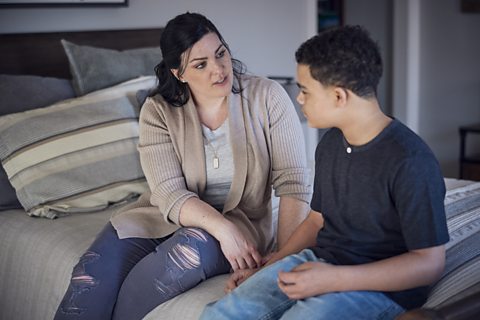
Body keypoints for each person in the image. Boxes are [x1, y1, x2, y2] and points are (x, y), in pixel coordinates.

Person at [54, 12, 312, 320]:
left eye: (221, 53)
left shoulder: (268, 97)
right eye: (200, 64)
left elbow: (293, 184)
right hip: (161, 216)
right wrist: (223, 229)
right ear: (179, 73)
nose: (218, 69)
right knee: (90, 275)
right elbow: (168, 192)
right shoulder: (157, 111)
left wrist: (280, 262)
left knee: (178, 258)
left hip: (240, 222)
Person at [200, 25, 450, 320]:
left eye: (305, 90)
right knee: (223, 313)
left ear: (339, 97)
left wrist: (335, 279)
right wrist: (268, 266)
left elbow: (429, 263)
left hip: (379, 288)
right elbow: (316, 220)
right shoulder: (330, 143)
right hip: (320, 262)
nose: (299, 99)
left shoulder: (411, 161)